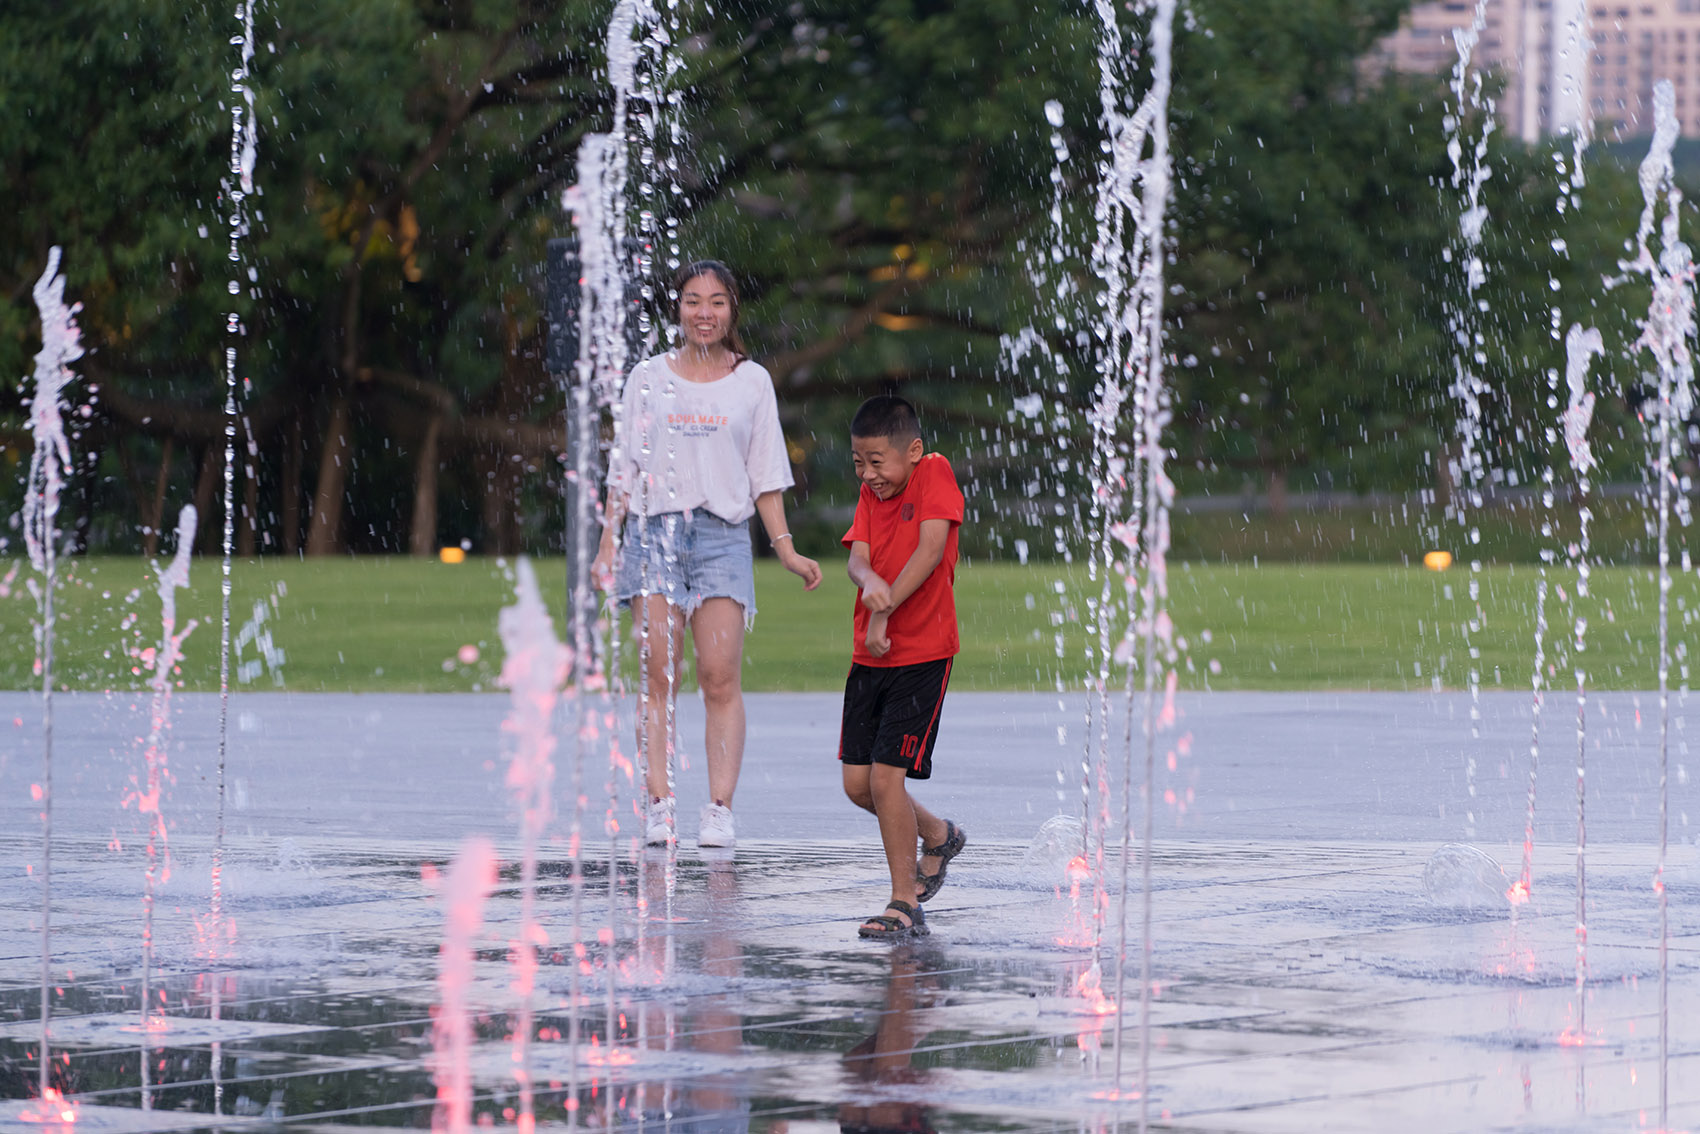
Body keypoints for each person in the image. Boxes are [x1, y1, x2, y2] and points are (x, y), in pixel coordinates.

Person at [593, 260, 822, 849]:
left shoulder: (752, 382)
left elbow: (765, 476)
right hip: (654, 533)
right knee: (659, 676)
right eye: (693, 301)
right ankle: (660, 802)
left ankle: (718, 808)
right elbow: (624, 468)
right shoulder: (647, 378)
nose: (704, 313)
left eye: (716, 302)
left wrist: (788, 552)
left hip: (722, 536)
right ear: (678, 308)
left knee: (719, 678)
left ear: (732, 310)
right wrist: (607, 545)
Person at [838, 395, 967, 939]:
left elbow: (931, 549)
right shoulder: (871, 494)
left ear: (912, 451)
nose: (869, 475)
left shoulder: (933, 472)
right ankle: (937, 834)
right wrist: (867, 580)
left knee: (887, 778)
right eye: (858, 463)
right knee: (858, 785)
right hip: (870, 655)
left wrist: (885, 606)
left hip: (922, 653)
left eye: (877, 462)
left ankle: (904, 902)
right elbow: (857, 555)